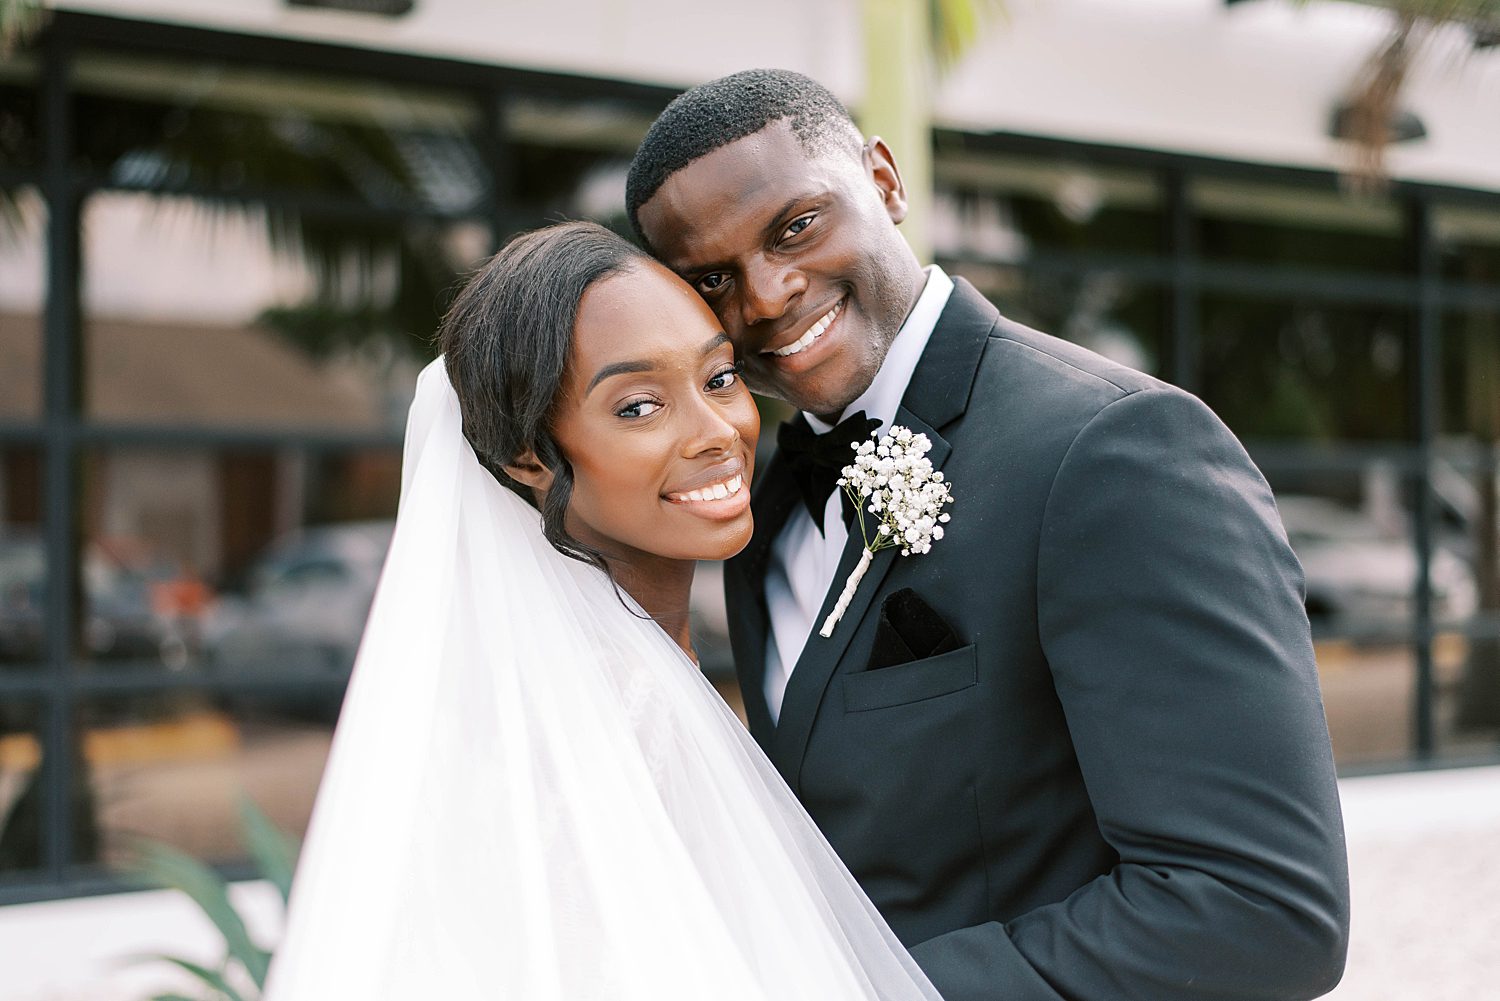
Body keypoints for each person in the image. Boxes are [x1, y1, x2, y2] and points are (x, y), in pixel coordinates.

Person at [626, 69, 1351, 1001]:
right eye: (712, 279)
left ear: (884, 182)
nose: (766, 296)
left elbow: (1261, 912)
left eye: (796, 225)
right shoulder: (756, 512)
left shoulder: (1115, 448)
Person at [263, 222, 942, 1001]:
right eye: (640, 406)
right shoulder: (622, 706)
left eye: (720, 379)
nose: (718, 431)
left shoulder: (626, 669)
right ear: (530, 457)